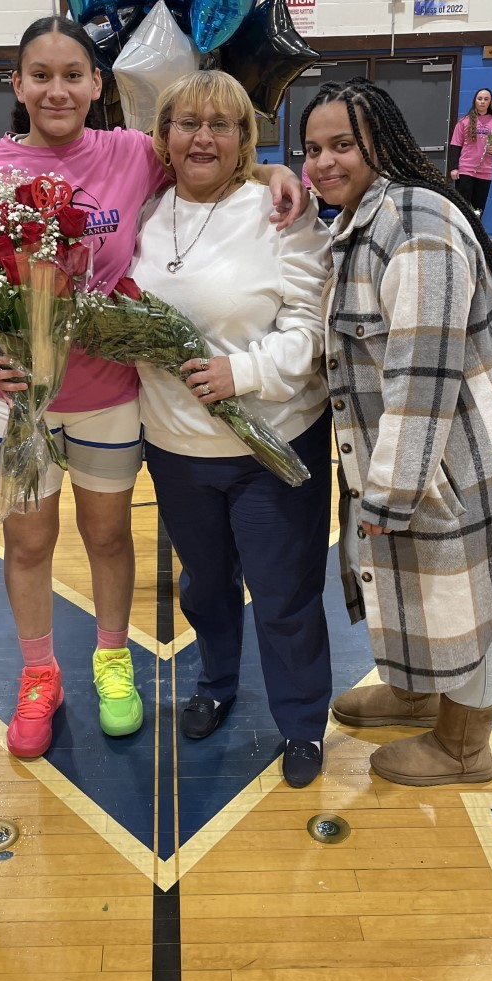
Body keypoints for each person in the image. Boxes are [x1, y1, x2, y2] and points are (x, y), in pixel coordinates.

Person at [0, 15, 304, 762]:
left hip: (109, 392)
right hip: (15, 401)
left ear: (97, 85)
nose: (56, 88)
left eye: (72, 74)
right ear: (16, 84)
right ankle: (40, 673)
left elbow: (216, 159)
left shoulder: (133, 153)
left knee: (107, 536)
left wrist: (278, 172)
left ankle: (113, 662)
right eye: (39, 74)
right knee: (28, 539)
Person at [301, 77, 492, 787]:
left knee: (473, 597)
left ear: (386, 142)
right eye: (312, 148)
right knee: (426, 585)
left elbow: (422, 381)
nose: (324, 161)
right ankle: (415, 690)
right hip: (445, 437)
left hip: (468, 448)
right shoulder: (366, 212)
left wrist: (389, 497)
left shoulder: (416, 225)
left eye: (344, 144)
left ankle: (464, 746)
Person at [131, 71, 333, 788]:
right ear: (163, 137)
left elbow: (312, 334)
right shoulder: (145, 213)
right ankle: (216, 684)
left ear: (248, 139)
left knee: (283, 595)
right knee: (206, 588)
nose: (203, 137)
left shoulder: (280, 213)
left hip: (272, 443)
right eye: (187, 123)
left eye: (222, 124)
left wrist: (241, 373)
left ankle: (303, 721)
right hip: (177, 449)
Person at [447, 88, 492, 216]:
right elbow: (455, 145)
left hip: (485, 171)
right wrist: (454, 168)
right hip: (466, 169)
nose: (482, 102)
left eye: (486, 99)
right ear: (475, 101)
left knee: (479, 208)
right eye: (480, 99)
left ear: (490, 102)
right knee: (462, 206)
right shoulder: (464, 121)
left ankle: (475, 234)